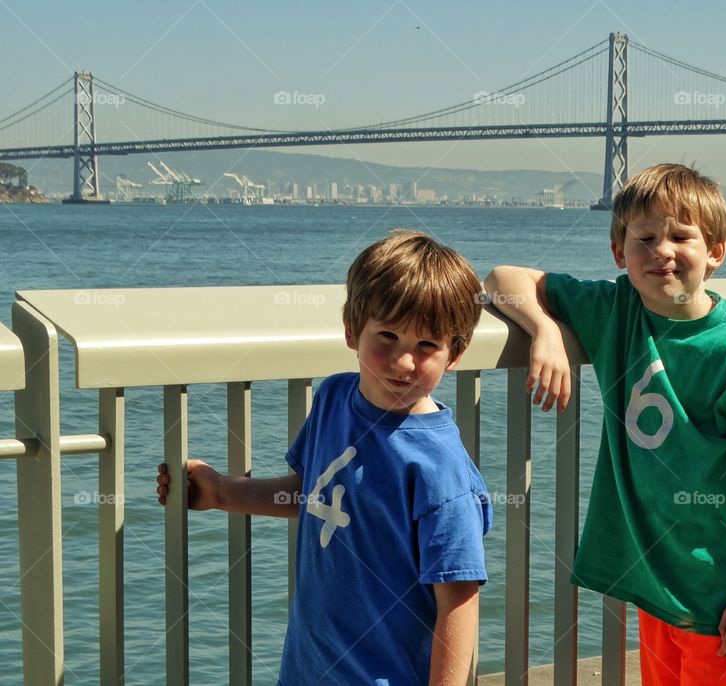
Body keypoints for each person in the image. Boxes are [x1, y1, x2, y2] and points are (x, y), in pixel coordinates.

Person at [484, 163, 726, 685]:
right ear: (618, 252)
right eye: (644, 237)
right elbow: (501, 280)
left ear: (716, 251)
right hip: (655, 587)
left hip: (721, 597)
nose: (662, 251)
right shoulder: (616, 310)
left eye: (681, 236)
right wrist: (545, 331)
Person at [157, 230, 493, 685]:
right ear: (353, 331)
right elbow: (312, 492)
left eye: (427, 346)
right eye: (388, 336)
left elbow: (459, 598)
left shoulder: (440, 472)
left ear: (456, 353)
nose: (403, 362)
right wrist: (221, 492)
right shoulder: (335, 397)